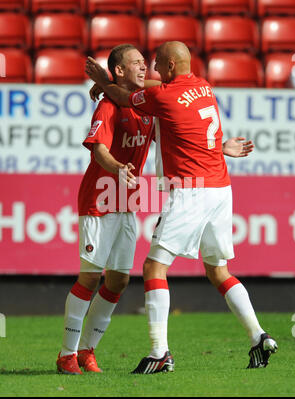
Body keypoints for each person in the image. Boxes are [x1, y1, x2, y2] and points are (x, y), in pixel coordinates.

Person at [85, 40, 278, 374]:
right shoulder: (203, 87)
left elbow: (124, 97)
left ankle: (160, 352)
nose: (154, 69)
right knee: (219, 271)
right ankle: (258, 336)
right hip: (220, 187)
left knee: (153, 268)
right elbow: (183, 124)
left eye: (158, 63)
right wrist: (221, 146)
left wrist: (104, 82)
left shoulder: (164, 96)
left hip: (191, 190)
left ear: (171, 66)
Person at [56, 44, 157, 375]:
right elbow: (98, 149)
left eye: (145, 62)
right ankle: (66, 354)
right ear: (120, 71)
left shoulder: (146, 106)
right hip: (99, 199)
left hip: (126, 201)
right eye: (136, 64)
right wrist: (116, 168)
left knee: (118, 281)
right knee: (89, 276)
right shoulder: (108, 106)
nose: (144, 68)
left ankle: (88, 350)